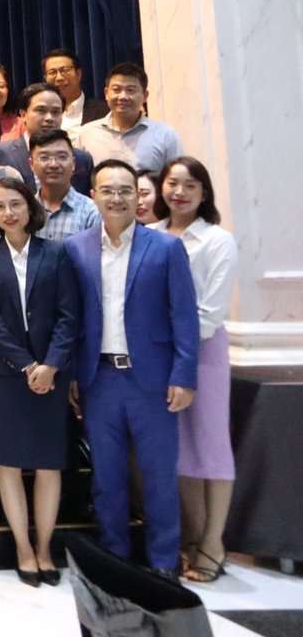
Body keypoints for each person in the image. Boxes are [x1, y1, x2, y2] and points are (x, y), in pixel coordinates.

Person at [67, 158, 199, 578]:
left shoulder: (165, 247)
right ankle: (115, 558)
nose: (118, 197)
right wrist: (72, 373)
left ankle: (163, 563)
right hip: (99, 378)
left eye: (127, 189)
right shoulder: (76, 247)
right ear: (94, 196)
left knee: (160, 477)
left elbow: (184, 317)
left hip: (153, 380)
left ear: (141, 196)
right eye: (108, 190)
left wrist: (183, 374)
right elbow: (71, 318)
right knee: (107, 478)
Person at [0, 177, 81, 587]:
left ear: (29, 207)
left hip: (52, 373)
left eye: (15, 204)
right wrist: (26, 365)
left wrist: (50, 365)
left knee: (50, 462)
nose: (8, 213)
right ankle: (22, 547)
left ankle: (45, 547)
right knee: (11, 462)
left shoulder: (56, 253)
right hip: (6, 372)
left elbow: (69, 315)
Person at [152, 157, 239, 585]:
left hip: (202, 352)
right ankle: (191, 534)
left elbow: (211, 310)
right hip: (156, 355)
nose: (179, 192)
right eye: (172, 183)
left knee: (211, 447)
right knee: (180, 450)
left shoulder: (218, 241)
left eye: (190, 185)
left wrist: (174, 343)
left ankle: (214, 542)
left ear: (204, 193)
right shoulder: (148, 235)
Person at [76, 63, 182, 173]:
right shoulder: (86, 133)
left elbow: (175, 180)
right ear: (106, 93)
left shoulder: (166, 136)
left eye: (130, 90)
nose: (123, 97)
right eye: (116, 89)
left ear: (145, 96)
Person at [0, 85, 94, 194]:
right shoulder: (1, 153)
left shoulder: (83, 160)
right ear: (23, 114)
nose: (49, 118)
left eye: (55, 112)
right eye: (41, 111)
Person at [24, 127, 101, 241]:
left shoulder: (92, 212)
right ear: (31, 164)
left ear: (73, 163)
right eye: (44, 157)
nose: (54, 164)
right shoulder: (25, 210)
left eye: (62, 157)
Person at [43, 48, 106, 130]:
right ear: (45, 78)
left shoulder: (104, 111)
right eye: (52, 72)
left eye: (65, 70)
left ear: (79, 74)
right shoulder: (41, 114)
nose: (59, 78)